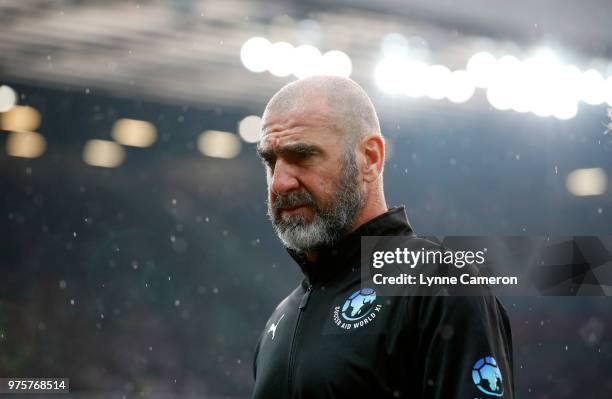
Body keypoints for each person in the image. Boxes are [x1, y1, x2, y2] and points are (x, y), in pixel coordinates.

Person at [252, 75, 514, 398]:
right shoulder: (280, 320)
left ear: (370, 158)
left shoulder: (440, 286)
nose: (279, 183)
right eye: (270, 162)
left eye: (302, 156)